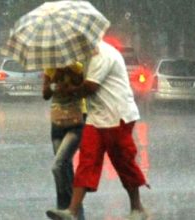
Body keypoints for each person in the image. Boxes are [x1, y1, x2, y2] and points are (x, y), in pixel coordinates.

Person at [46, 40, 149, 220]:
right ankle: (72, 211)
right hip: (97, 117)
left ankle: (137, 207)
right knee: (87, 160)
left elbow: (89, 87)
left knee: (123, 161)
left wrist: (68, 90)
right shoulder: (87, 57)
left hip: (117, 115)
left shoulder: (103, 55)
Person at [43, 62, 87, 220]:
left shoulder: (77, 67)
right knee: (64, 169)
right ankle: (69, 211)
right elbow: (45, 94)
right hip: (57, 123)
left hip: (75, 122)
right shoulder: (49, 68)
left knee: (58, 166)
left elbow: (81, 90)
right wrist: (54, 79)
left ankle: (70, 210)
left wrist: (68, 75)